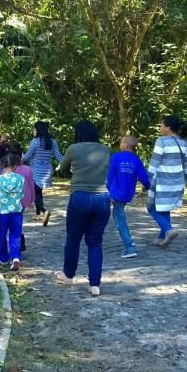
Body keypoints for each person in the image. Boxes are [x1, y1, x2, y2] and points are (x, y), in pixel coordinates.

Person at [55, 120, 111, 297]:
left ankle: (68, 275)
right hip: (102, 198)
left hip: (80, 197)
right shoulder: (105, 149)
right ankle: (95, 284)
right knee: (95, 242)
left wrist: (74, 170)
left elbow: (62, 169)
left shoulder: (74, 148)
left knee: (73, 239)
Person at [147, 115, 187, 248]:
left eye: (161, 125)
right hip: (177, 182)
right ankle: (162, 238)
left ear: (168, 128)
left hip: (162, 181)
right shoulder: (184, 142)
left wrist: (147, 180)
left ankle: (168, 229)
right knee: (164, 208)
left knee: (151, 207)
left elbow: (155, 162)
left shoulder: (161, 141)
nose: (160, 128)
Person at [107, 136, 150, 258]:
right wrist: (146, 188)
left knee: (120, 220)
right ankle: (129, 242)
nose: (120, 144)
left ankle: (129, 247)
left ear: (125, 144)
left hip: (115, 193)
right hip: (127, 194)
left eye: (121, 142)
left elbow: (109, 177)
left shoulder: (115, 157)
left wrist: (109, 192)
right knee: (117, 216)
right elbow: (144, 179)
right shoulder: (136, 160)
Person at [22, 121, 63, 226]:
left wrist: (15, 161)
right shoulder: (52, 141)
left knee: (34, 194)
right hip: (47, 171)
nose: (33, 131)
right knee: (38, 192)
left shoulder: (35, 142)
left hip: (36, 171)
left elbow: (26, 157)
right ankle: (38, 214)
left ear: (38, 130)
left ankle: (45, 211)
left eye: (34, 129)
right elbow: (59, 157)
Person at [0, 154, 25, 271]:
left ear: (3, 166)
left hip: (3, 211)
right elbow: (22, 195)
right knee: (15, 235)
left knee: (2, 234)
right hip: (17, 211)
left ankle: (2, 258)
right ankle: (15, 257)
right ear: (14, 166)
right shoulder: (20, 179)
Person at [14, 150, 34, 252]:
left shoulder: (7, 169)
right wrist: (32, 200)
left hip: (11, 200)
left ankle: (18, 241)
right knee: (18, 219)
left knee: (13, 221)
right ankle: (20, 241)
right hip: (24, 199)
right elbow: (31, 185)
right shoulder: (27, 169)